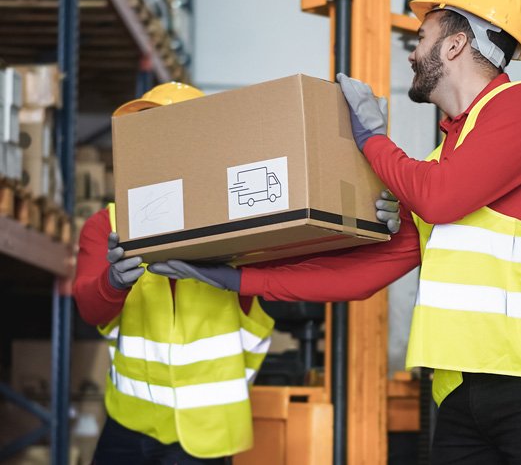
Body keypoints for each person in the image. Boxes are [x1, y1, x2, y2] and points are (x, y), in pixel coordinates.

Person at [149, 0, 521, 464]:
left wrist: (372, 137)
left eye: (421, 38)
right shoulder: (442, 162)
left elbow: (437, 198)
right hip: (460, 389)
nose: (412, 54)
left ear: (456, 46)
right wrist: (238, 279)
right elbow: (364, 273)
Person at [73, 81, 403, 464]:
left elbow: (330, 261)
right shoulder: (108, 224)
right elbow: (89, 308)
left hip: (209, 434)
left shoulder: (246, 222)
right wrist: (112, 282)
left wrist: (377, 210)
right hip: (130, 426)